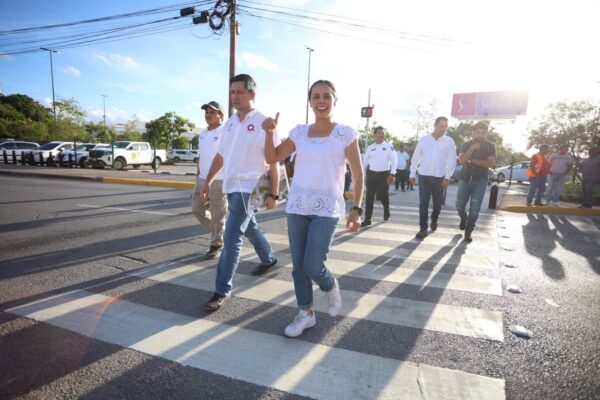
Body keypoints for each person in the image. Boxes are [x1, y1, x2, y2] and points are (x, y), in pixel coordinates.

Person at [262, 80, 364, 337]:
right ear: (310, 101)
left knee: (312, 264)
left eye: (326, 96)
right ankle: (305, 313)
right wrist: (268, 133)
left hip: (326, 207)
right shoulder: (299, 133)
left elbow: (358, 173)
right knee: (298, 266)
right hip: (298, 205)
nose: (321, 101)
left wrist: (357, 208)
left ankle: (330, 287)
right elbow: (272, 157)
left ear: (334, 100)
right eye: (316, 96)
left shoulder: (345, 133)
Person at [202, 74, 280, 311]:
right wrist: (208, 181)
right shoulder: (230, 124)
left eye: (240, 92)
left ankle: (221, 289)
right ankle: (268, 258)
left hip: (251, 187)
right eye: (232, 92)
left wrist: (274, 192)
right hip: (231, 186)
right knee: (250, 227)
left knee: (232, 236)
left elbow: (273, 160)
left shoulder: (264, 122)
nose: (235, 97)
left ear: (252, 94)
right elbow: (221, 155)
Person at [191, 101, 228, 259]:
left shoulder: (225, 132)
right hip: (201, 179)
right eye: (206, 112)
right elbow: (202, 156)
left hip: (219, 180)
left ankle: (216, 243)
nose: (208, 115)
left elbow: (225, 157)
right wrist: (198, 174)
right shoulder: (203, 133)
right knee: (196, 209)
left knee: (218, 214)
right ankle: (218, 232)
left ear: (221, 115)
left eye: (212, 112)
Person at [409, 117, 456, 239]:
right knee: (423, 203)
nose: (444, 129)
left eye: (446, 126)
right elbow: (416, 158)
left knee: (437, 205)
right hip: (424, 176)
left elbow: (452, 161)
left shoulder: (449, 141)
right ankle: (423, 229)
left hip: (440, 178)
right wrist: (412, 174)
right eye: (442, 126)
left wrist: (447, 177)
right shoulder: (424, 140)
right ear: (435, 125)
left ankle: (434, 218)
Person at [455, 121, 496, 242]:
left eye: (483, 133)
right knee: (459, 205)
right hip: (465, 179)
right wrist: (472, 148)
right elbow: (462, 160)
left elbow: (489, 163)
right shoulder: (466, 144)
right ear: (473, 133)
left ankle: (469, 230)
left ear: (486, 134)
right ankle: (463, 218)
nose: (480, 135)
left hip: (481, 180)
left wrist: (471, 160)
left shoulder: (490, 146)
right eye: (478, 132)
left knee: (475, 208)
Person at [361, 126, 397, 227]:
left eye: (382, 133)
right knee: (369, 198)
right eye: (379, 133)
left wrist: (392, 173)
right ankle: (367, 219)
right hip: (371, 174)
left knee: (382, 196)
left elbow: (394, 161)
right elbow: (365, 161)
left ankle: (386, 209)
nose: (381, 135)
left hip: (384, 174)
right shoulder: (370, 147)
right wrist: (362, 174)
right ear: (375, 135)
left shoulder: (389, 146)